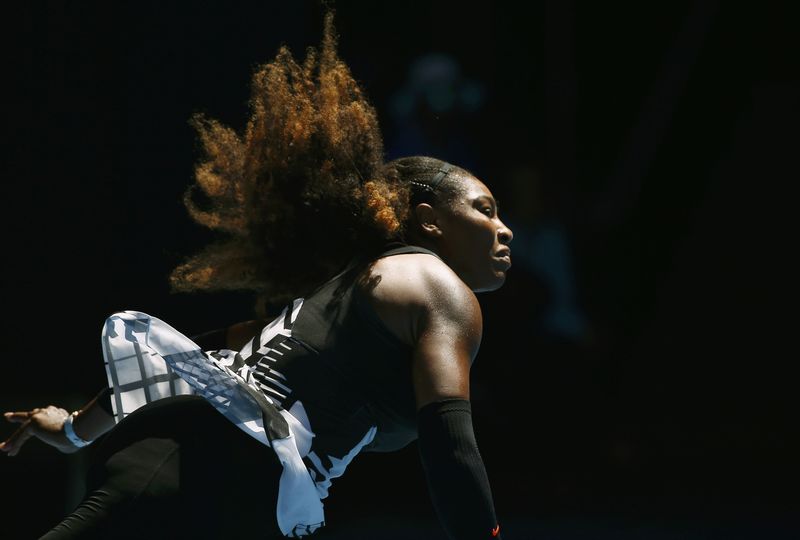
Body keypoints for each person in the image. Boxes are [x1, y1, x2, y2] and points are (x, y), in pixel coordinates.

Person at [1, 13, 513, 540]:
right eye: (485, 209)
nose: (505, 230)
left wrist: (73, 430)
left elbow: (192, 360)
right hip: (219, 477)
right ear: (428, 218)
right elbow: (449, 445)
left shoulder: (340, 299)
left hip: (210, 477)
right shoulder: (436, 285)